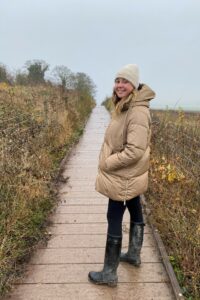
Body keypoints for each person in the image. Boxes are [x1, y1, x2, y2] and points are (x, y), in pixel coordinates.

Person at [88, 64, 156, 287]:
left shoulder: (136, 111)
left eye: (125, 81)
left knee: (114, 215)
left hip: (122, 174)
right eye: (117, 80)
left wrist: (108, 163)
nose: (119, 85)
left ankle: (109, 273)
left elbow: (135, 150)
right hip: (128, 175)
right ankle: (134, 255)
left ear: (134, 85)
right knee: (135, 204)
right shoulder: (126, 106)